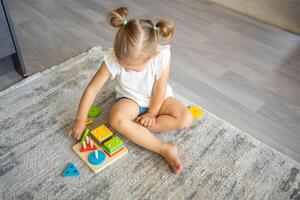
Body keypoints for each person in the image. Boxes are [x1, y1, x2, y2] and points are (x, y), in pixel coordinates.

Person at [69, 7, 193, 174]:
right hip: (130, 100)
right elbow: (92, 89)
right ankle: (163, 148)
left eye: (133, 68)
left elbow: (160, 87)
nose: (128, 69)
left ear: (151, 56)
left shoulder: (161, 55)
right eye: (124, 65)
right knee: (116, 120)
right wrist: (80, 119)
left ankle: (134, 128)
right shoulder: (113, 59)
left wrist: (152, 113)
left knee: (185, 118)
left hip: (159, 99)